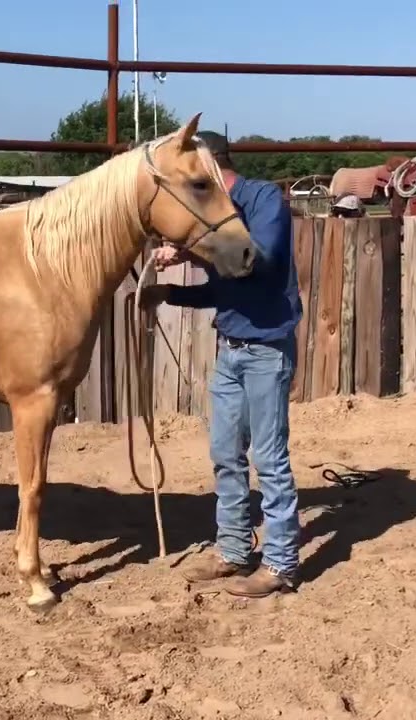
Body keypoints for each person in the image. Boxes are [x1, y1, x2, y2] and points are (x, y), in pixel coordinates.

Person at [138, 130, 303, 598]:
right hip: (231, 349)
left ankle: (281, 563)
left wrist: (188, 248)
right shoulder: (215, 214)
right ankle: (233, 550)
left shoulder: (263, 199)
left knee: (269, 459)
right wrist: (169, 293)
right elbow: (222, 291)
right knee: (225, 455)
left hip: (266, 351)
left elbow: (258, 263)